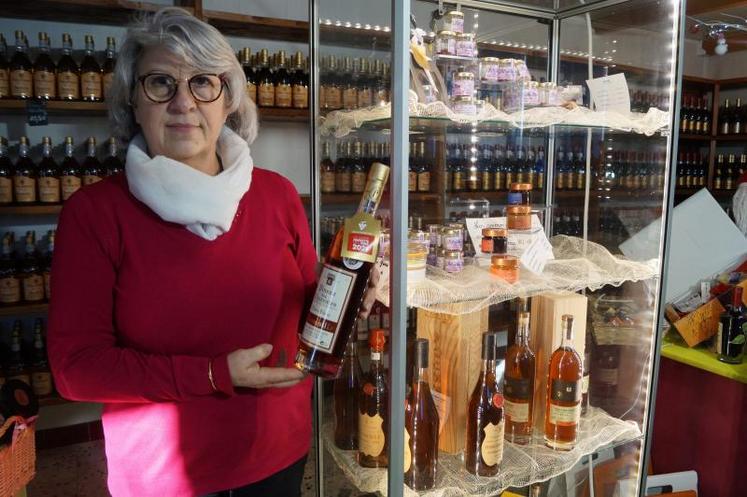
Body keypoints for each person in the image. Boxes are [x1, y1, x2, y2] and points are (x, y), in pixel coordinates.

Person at [47, 7, 377, 497]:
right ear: (133, 102)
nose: (183, 102)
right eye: (160, 83)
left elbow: (309, 306)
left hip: (278, 453)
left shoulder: (276, 194)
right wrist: (213, 374)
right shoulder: (95, 214)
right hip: (166, 476)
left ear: (229, 102)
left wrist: (357, 299)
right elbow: (76, 370)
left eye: (203, 83)